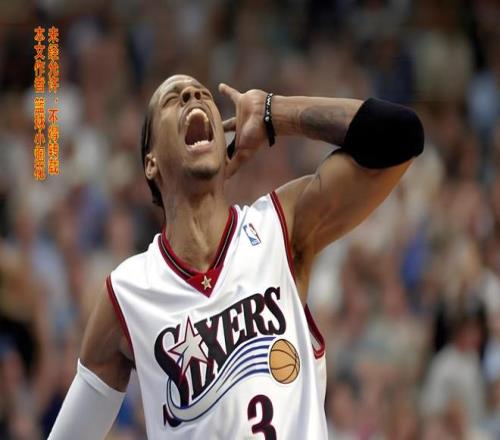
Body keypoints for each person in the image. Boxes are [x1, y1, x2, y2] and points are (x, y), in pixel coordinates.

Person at [48, 74, 423, 439]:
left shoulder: (280, 226)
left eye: (202, 94)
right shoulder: (128, 293)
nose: (192, 96)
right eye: (173, 98)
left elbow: (403, 135)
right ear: (151, 162)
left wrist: (273, 113)